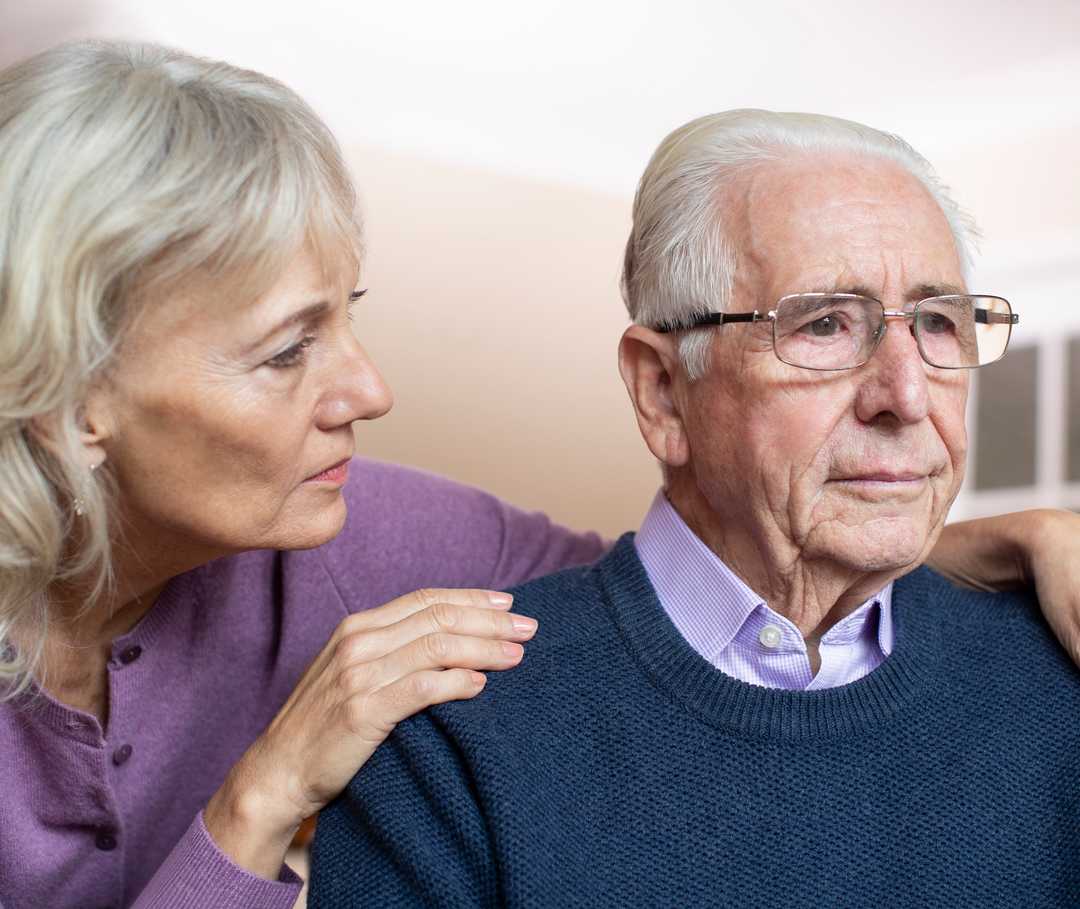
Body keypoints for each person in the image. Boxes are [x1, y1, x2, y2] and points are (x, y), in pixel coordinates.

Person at [0, 43, 1074, 909]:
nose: (370, 391)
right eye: (287, 351)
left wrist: (957, 551)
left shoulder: (371, 532)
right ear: (70, 401)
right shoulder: (442, 737)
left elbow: (678, 593)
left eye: (938, 321)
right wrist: (261, 801)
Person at [311, 111, 1080, 908]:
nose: (907, 394)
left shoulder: (1059, 676)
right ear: (663, 391)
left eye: (938, 323)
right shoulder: (450, 742)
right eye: (823, 324)